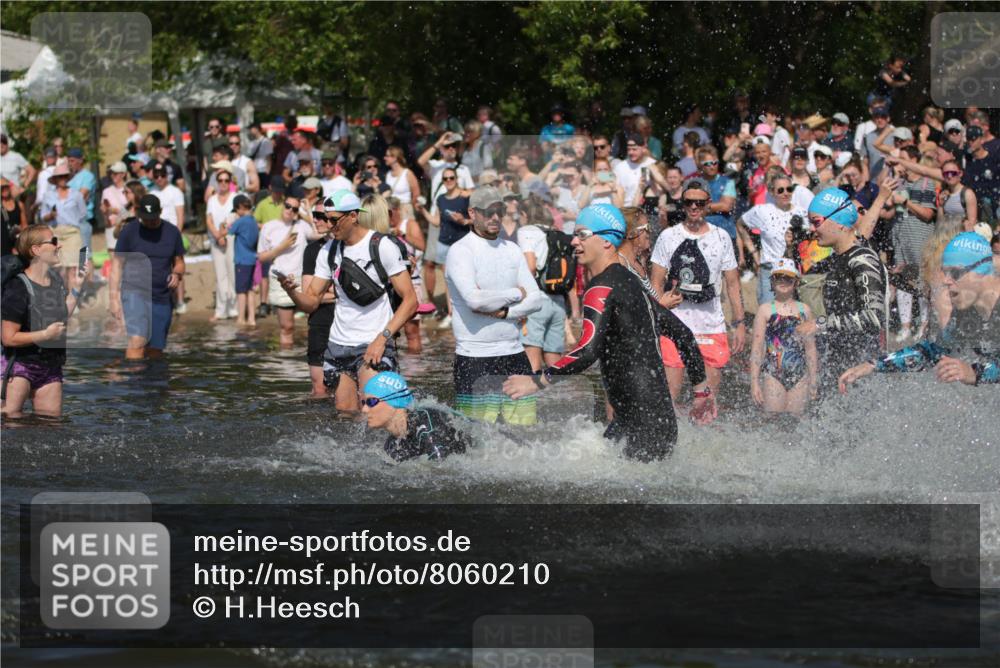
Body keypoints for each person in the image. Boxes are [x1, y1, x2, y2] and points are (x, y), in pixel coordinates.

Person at [504, 204, 716, 461]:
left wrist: (537, 380)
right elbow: (683, 335)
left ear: (606, 241)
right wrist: (701, 391)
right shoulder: (631, 283)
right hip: (657, 421)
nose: (573, 242)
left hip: (639, 426)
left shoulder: (601, 287)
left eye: (582, 234)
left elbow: (586, 351)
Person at [279, 190, 417, 412]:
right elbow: (312, 302)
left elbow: (411, 301)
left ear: (353, 216)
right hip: (338, 345)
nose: (329, 225)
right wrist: (292, 292)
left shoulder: (381, 246)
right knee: (345, 415)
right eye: (326, 219)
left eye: (334, 220)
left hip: (373, 342)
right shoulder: (329, 250)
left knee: (373, 412)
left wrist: (382, 339)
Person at [839, 231, 999, 390]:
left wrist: (974, 373)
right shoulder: (967, 313)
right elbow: (932, 353)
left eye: (955, 273)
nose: (946, 281)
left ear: (981, 272)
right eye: (945, 272)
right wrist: (873, 365)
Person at [445, 187, 543, 425]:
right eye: (489, 212)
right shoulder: (461, 251)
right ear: (472, 212)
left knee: (525, 432)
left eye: (499, 211)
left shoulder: (512, 250)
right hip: (475, 355)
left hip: (514, 353)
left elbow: (536, 299)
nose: (495, 217)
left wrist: (506, 311)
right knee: (476, 436)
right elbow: (474, 300)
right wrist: (515, 293)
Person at [650, 180, 747, 401]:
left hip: (710, 325)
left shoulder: (721, 237)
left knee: (706, 402)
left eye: (699, 203)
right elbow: (655, 282)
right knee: (669, 398)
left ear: (708, 204)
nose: (694, 207)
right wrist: (655, 316)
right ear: (682, 204)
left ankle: (702, 434)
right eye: (689, 202)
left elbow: (732, 283)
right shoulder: (668, 236)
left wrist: (739, 323)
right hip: (674, 323)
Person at [797, 188, 888, 392]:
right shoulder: (837, 259)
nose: (811, 229)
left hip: (861, 372)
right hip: (838, 367)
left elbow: (873, 318)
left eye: (816, 221)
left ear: (838, 221)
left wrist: (820, 324)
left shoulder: (862, 259)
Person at [1, 225, 88, 417]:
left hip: (50, 367)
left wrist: (77, 286)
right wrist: (45, 334)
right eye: (54, 242)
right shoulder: (17, 287)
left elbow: (62, 315)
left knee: (50, 427)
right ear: (36, 250)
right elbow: (8, 338)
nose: (60, 246)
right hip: (19, 366)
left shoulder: (55, 281)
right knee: (9, 422)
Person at [110, 195, 186, 360]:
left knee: (155, 350)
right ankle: (133, 382)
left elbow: (179, 262)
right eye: (145, 219)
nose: (150, 222)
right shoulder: (129, 231)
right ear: (138, 214)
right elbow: (116, 265)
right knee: (137, 341)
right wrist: (114, 298)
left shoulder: (172, 232)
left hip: (162, 295)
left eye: (153, 218)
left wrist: (177, 274)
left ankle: (151, 384)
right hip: (134, 292)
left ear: (161, 212)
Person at [748, 259, 819, 415]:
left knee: (795, 421)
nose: (783, 281)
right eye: (778, 277)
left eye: (788, 278)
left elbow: (810, 348)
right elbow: (757, 347)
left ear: (796, 282)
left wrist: (813, 379)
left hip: (799, 375)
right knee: (773, 418)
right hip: (773, 375)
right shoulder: (765, 310)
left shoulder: (804, 310)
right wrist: (754, 382)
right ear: (772, 282)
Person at [362, 372, 471, 462]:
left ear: (395, 401)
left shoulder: (427, 425)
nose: (364, 409)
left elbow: (444, 469)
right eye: (363, 402)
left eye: (371, 402)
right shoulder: (392, 444)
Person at [738, 174, 809, 304]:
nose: (786, 193)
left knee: (795, 316)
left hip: (795, 270)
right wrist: (754, 253)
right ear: (771, 192)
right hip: (770, 269)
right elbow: (740, 224)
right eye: (780, 190)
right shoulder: (762, 211)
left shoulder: (803, 213)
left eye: (789, 189)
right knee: (769, 315)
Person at [257, 192, 316, 347]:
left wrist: (306, 213)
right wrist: (281, 247)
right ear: (283, 205)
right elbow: (262, 257)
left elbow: (319, 233)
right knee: (287, 327)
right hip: (281, 280)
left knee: (314, 326)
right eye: (288, 206)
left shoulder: (301, 225)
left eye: (295, 209)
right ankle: (286, 365)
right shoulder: (269, 227)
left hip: (302, 279)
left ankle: (305, 362)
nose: (290, 210)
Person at [298, 201, 337, 395]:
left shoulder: (348, 247)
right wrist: (339, 294)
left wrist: (323, 292)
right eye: (314, 215)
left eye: (320, 216)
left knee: (348, 388)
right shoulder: (313, 250)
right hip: (320, 323)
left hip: (347, 325)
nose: (315, 220)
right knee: (319, 387)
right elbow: (308, 294)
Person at [39, 164, 87, 286]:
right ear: (54, 179)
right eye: (59, 177)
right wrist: (50, 216)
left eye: (64, 176)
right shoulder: (48, 195)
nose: (62, 179)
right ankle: (62, 300)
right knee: (59, 270)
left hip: (72, 233)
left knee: (73, 269)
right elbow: (43, 216)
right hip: (56, 233)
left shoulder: (76, 195)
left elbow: (82, 214)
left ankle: (72, 302)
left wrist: (72, 221)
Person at [205, 165, 239, 321]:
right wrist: (217, 235)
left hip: (231, 239)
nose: (223, 183)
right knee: (220, 275)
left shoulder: (235, 197)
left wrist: (223, 234)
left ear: (230, 181)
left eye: (226, 180)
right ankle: (220, 310)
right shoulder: (212, 199)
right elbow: (209, 219)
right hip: (216, 239)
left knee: (232, 273)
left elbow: (235, 218)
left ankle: (234, 308)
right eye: (220, 180)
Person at [227, 195, 259, 327]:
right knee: (250, 290)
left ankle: (241, 318)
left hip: (242, 260)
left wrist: (227, 224)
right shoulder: (253, 220)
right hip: (252, 259)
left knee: (241, 291)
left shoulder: (241, 221)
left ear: (240, 207)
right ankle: (251, 318)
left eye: (236, 210)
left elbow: (228, 232)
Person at [384, 146, 419, 219]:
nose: (385, 158)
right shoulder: (388, 174)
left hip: (404, 210)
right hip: (391, 211)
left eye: (387, 156)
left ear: (395, 158)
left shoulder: (407, 173)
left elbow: (416, 193)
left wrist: (409, 207)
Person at [1, 178, 27, 257]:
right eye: (1, 188)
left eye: (6, 187)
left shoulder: (19, 204)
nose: (4, 190)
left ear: (9, 187)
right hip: (3, 245)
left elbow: (25, 225)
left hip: (17, 243)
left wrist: (20, 244)